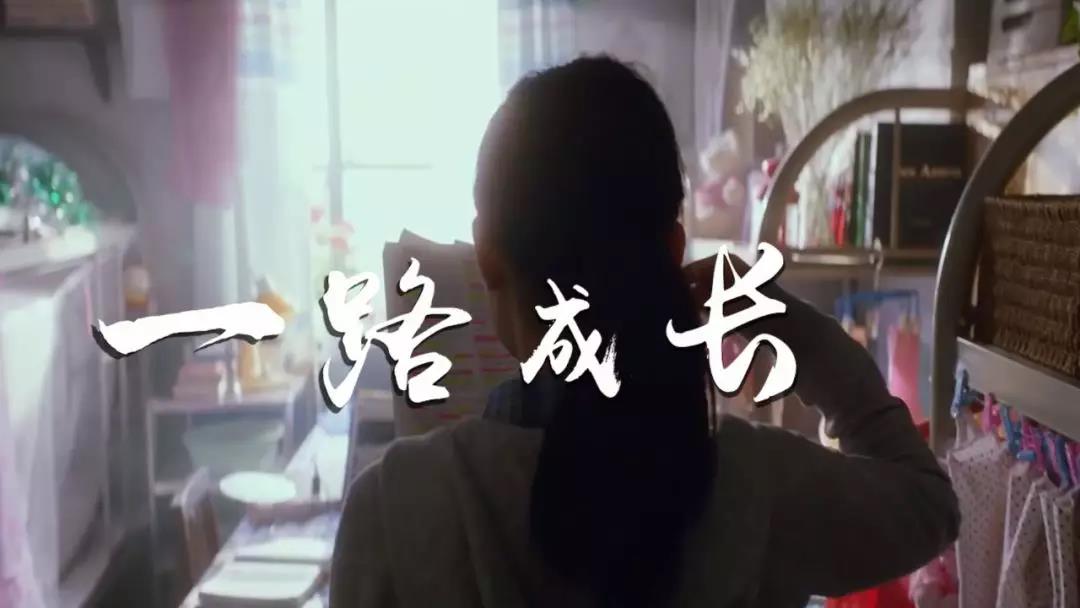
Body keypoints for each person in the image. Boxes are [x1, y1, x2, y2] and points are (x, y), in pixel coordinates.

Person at [330, 56, 958, 608]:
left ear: (488, 256)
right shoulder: (758, 487)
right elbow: (930, 503)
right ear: (673, 250)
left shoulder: (393, 505)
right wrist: (784, 322)